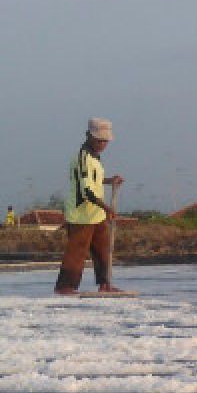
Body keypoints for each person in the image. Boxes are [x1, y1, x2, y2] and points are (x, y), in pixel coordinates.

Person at [55, 117, 125, 295]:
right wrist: (107, 208)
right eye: (100, 140)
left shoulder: (95, 158)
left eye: (105, 141)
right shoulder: (83, 158)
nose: (103, 144)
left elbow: (95, 181)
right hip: (81, 214)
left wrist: (110, 181)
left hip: (96, 214)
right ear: (89, 136)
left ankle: (105, 283)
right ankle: (65, 286)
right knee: (77, 251)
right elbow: (87, 191)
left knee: (103, 249)